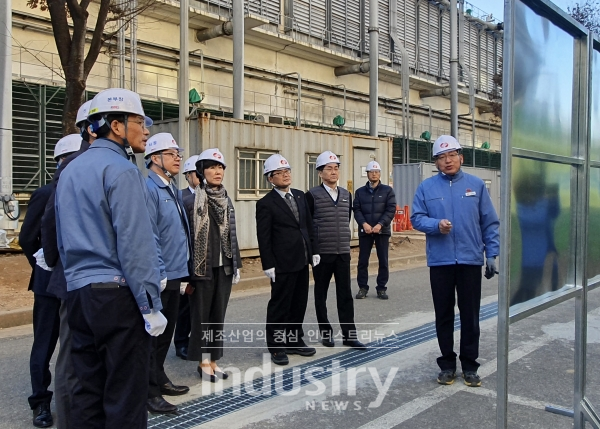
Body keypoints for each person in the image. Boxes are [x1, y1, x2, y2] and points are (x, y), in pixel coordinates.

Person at [55, 88, 167, 428]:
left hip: (78, 293)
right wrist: (150, 305)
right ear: (116, 126)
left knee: (87, 389)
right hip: (117, 296)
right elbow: (135, 244)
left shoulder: (71, 170)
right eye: (140, 122)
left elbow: (62, 237)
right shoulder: (122, 170)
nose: (146, 130)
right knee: (125, 394)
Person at [410, 135, 499, 388]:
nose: (447, 161)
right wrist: (436, 225)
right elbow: (416, 218)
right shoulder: (427, 188)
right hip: (441, 262)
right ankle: (447, 364)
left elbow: (489, 222)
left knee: (470, 315)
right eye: (441, 157)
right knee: (444, 315)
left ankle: (470, 366)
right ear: (435, 162)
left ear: (461, 156)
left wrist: (491, 254)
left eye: (451, 155)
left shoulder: (476, 185)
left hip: (470, 260)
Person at [41, 101, 98, 429]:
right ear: (91, 128)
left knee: (86, 354)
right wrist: (56, 261)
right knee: (71, 358)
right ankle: (68, 418)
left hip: (94, 278)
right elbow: (51, 219)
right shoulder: (76, 164)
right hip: (77, 277)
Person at [19, 133, 81, 428]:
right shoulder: (45, 193)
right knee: (44, 343)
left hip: (76, 281)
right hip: (47, 284)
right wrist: (42, 263)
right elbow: (26, 237)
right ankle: (41, 402)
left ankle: (74, 396)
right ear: (62, 161)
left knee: (75, 343)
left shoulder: (80, 192)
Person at [183, 148, 242, 381]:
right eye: (211, 167)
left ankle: (214, 359)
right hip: (201, 269)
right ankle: (202, 361)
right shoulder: (190, 200)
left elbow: (232, 234)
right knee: (201, 316)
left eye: (220, 167)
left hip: (224, 266)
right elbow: (185, 238)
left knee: (218, 315)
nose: (217, 172)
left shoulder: (226, 199)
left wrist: (235, 264)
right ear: (201, 171)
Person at [256, 154, 320, 366]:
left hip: (301, 260)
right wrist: (268, 264)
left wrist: (314, 251)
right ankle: (276, 346)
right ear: (270, 178)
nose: (285, 175)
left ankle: (294, 340)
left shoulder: (300, 196)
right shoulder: (266, 203)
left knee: (298, 302)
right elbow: (263, 236)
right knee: (280, 305)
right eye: (280, 173)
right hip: (282, 262)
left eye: (287, 171)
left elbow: (309, 226)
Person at [144, 133, 191, 413]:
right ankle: (149, 392)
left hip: (176, 272)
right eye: (171, 153)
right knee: (153, 336)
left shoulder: (171, 187)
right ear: (154, 158)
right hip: (160, 275)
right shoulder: (148, 188)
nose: (177, 158)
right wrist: (160, 271)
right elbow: (150, 235)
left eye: (177, 153)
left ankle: (158, 377)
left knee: (167, 332)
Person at [306, 151, 366, 350]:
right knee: (321, 294)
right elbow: (308, 226)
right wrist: (312, 251)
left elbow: (344, 221)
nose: (333, 172)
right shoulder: (312, 196)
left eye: (336, 168)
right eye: (329, 169)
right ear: (320, 173)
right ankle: (326, 333)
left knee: (345, 294)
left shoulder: (346, 195)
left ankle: (350, 335)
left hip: (342, 253)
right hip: (322, 253)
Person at [353, 160, 396, 300]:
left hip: (381, 231)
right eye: (371, 172)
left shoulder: (387, 191)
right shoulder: (360, 192)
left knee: (383, 260)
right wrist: (364, 224)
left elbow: (391, 209)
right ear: (367, 174)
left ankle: (381, 288)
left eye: (377, 172)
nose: (374, 174)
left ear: (380, 174)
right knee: (363, 261)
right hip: (365, 231)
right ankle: (362, 288)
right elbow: (357, 210)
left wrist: (380, 224)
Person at [174, 154, 201, 360]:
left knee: (201, 306)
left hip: (205, 261)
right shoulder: (180, 197)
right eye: (195, 173)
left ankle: (197, 341)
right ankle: (181, 342)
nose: (200, 177)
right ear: (187, 175)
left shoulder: (210, 195)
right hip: (186, 259)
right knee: (184, 306)